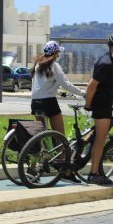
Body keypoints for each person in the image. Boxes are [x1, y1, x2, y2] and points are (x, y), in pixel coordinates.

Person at [30, 40, 85, 184]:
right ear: (56, 53)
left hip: (35, 103)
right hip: (49, 103)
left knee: (38, 136)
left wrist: (58, 92)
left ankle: (32, 167)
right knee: (61, 137)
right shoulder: (54, 66)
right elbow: (66, 84)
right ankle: (65, 171)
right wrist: (82, 93)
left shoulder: (38, 65)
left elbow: (43, 86)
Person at [85, 33, 113, 185]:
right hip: (101, 104)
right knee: (100, 140)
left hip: (107, 103)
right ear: (110, 47)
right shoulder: (105, 63)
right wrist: (88, 105)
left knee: (98, 138)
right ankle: (93, 174)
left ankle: (95, 170)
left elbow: (112, 78)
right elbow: (91, 86)